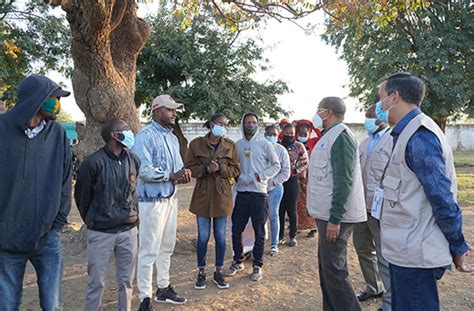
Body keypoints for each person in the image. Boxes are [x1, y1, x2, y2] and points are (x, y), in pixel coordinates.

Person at [376, 72, 472, 310]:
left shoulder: (419, 136)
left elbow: (442, 199)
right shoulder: (402, 133)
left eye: (381, 98)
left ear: (394, 97)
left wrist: (457, 245)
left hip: (415, 253)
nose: (379, 105)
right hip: (404, 249)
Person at [0, 75, 72, 310]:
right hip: (6, 241)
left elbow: (65, 181)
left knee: (52, 305)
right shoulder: (2, 129)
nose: (57, 104)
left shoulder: (58, 134)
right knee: (7, 304)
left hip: (47, 238)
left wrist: (57, 223)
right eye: (53, 98)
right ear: (35, 98)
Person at [307, 97, 367, 311]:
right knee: (327, 269)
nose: (316, 113)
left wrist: (335, 219)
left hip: (335, 217)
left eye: (319, 109)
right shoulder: (328, 136)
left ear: (328, 112)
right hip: (325, 215)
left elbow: (344, 180)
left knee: (335, 270)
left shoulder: (341, 137)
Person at [133, 95, 192, 310]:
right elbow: (143, 169)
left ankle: (163, 288)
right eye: (170, 110)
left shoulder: (172, 138)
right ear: (157, 111)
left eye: (175, 110)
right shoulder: (145, 136)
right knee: (149, 249)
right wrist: (171, 175)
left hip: (170, 199)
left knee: (167, 246)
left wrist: (183, 173)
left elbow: (177, 166)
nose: (174, 113)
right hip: (151, 201)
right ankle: (144, 298)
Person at [75, 118, 140, 311]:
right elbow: (82, 198)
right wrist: (94, 220)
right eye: (125, 129)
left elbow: (133, 194)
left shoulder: (133, 160)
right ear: (114, 135)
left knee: (126, 282)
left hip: (129, 232)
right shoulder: (92, 163)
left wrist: (133, 217)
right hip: (101, 233)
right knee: (96, 283)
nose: (129, 132)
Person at [185, 113, 240, 290]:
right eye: (219, 124)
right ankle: (201, 272)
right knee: (202, 237)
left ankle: (218, 272)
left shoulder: (230, 146)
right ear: (210, 124)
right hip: (202, 195)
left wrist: (222, 168)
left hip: (222, 196)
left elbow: (236, 169)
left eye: (225, 124)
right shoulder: (195, 144)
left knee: (220, 237)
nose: (222, 127)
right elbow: (190, 168)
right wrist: (206, 169)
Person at [224, 112, 280, 281]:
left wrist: (261, 176)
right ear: (242, 124)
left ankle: (257, 265)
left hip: (259, 194)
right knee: (236, 229)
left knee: (259, 231)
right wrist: (236, 177)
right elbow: (232, 166)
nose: (250, 125)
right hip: (241, 193)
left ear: (258, 124)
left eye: (254, 122)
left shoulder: (265, 144)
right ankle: (238, 260)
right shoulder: (237, 145)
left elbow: (276, 165)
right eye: (247, 122)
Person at [353, 105, 392, 311]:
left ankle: (390, 301)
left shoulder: (393, 140)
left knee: (384, 255)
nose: (366, 120)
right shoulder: (364, 143)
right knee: (362, 248)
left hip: (382, 210)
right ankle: (373, 286)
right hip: (361, 207)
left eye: (370, 116)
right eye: (366, 116)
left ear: (381, 117)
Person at [278, 123, 308, 247]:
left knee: (291, 209)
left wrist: (294, 170)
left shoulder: (299, 146)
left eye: (291, 133)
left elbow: (305, 162)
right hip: (278, 181)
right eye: (287, 133)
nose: (289, 135)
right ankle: (279, 236)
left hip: (292, 180)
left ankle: (292, 236)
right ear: (283, 132)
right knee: (279, 210)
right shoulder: (277, 146)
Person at [264, 124, 291, 255]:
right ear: (264, 134)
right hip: (258, 188)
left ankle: (274, 244)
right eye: (268, 134)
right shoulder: (259, 147)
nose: (271, 137)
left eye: (274, 134)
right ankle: (252, 245)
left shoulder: (281, 150)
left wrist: (274, 181)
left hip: (275, 188)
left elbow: (286, 172)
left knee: (273, 215)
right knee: (255, 218)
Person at [295, 120, 320, 237]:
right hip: (297, 176)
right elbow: (281, 136)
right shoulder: (294, 143)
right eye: (301, 134)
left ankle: (313, 227)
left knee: (311, 200)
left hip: (311, 175)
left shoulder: (313, 142)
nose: (303, 136)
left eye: (305, 134)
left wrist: (313, 126)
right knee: (298, 202)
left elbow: (321, 135)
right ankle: (299, 224)